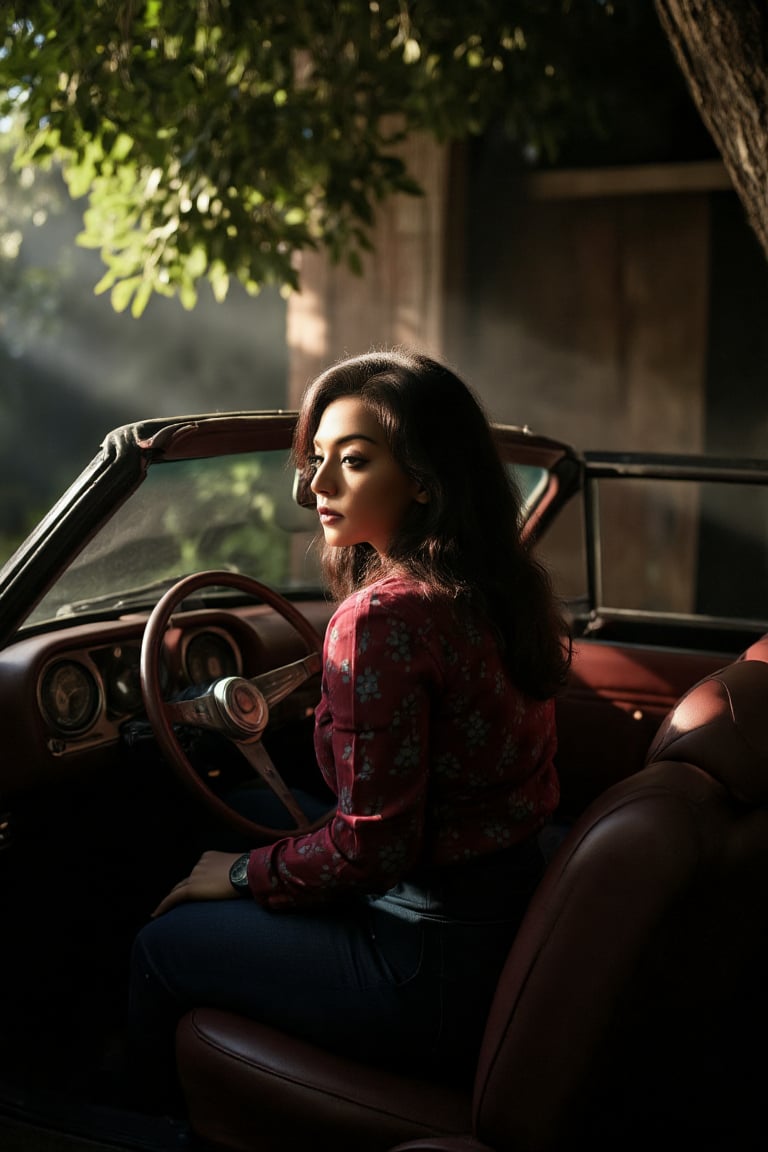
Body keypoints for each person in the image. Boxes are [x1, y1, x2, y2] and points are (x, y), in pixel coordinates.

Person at [128, 348, 571, 1105]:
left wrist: (238, 876)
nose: (317, 487)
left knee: (161, 944)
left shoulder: (382, 617)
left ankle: (131, 1116)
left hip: (420, 964)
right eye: (318, 460)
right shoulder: (495, 586)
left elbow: (373, 845)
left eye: (353, 462)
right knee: (224, 808)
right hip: (494, 924)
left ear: (425, 480)